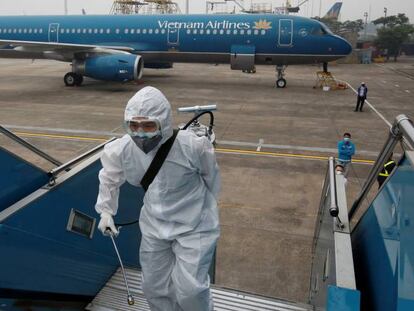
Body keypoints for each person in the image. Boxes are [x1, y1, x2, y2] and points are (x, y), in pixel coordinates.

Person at [95, 86, 221, 311]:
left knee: (192, 291)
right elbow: (109, 177)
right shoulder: (123, 149)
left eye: (149, 125)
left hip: (194, 225)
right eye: (133, 125)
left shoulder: (192, 146)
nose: (140, 134)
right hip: (154, 225)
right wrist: (106, 211)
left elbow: (211, 179)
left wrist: (208, 211)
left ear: (163, 122)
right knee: (154, 287)